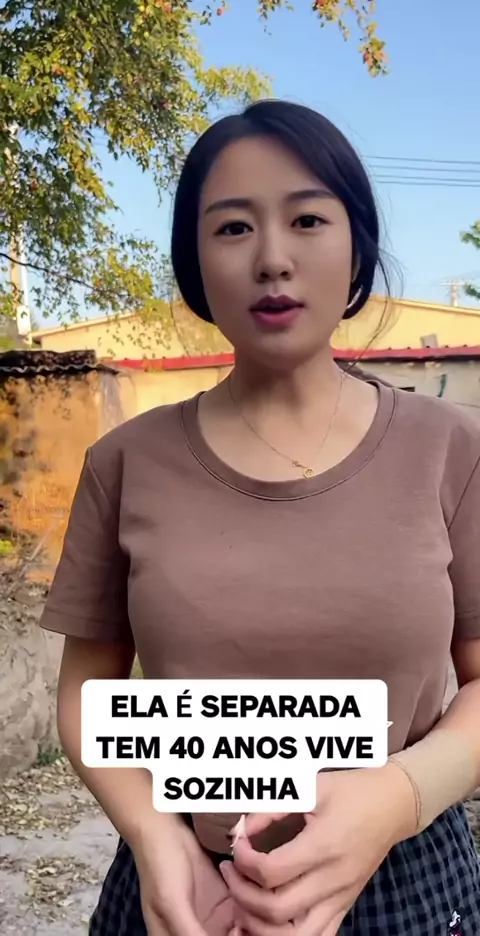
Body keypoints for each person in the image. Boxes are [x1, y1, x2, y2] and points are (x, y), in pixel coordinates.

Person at [39, 99, 480, 936]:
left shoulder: (451, 449)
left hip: (404, 884)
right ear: (194, 261)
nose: (273, 259)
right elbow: (86, 691)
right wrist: (157, 840)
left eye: (308, 219)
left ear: (356, 245)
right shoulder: (125, 463)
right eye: (233, 228)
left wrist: (397, 796)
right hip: (185, 889)